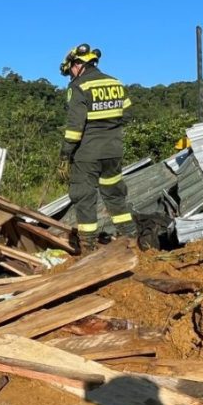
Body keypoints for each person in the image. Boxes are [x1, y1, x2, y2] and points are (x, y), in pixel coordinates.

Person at [59, 43, 136, 253]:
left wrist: (65, 154)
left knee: (84, 197)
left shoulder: (78, 86)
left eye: (70, 70)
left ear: (77, 64)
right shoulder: (115, 83)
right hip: (114, 151)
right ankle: (130, 239)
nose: (70, 75)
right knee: (115, 195)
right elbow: (127, 113)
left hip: (88, 154)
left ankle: (88, 249)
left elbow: (75, 128)